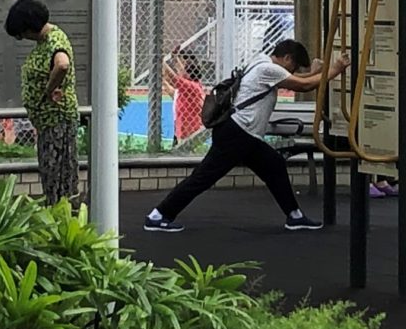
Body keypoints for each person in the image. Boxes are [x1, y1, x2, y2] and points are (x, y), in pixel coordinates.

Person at [145, 39, 350, 233]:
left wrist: (317, 73)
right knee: (203, 177)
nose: (294, 71)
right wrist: (336, 69)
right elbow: (304, 85)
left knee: (275, 165)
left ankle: (294, 215)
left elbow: (295, 80)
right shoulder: (267, 69)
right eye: (294, 66)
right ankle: (159, 214)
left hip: (244, 135)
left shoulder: (261, 61)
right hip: (238, 134)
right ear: (287, 58)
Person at [4, 0, 79, 205]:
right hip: (48, 123)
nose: (22, 38)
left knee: (58, 175)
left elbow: (62, 64)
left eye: (21, 34)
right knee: (50, 173)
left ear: (30, 28)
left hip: (57, 122)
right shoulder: (45, 41)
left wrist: (49, 90)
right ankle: (56, 214)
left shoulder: (55, 40)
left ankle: (62, 219)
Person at [164, 52, 205, 146]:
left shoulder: (190, 86)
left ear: (189, 74)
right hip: (182, 125)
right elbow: (180, 71)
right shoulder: (190, 85)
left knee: (183, 150)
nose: (181, 72)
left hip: (188, 128)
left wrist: (161, 62)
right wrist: (175, 58)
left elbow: (173, 77)